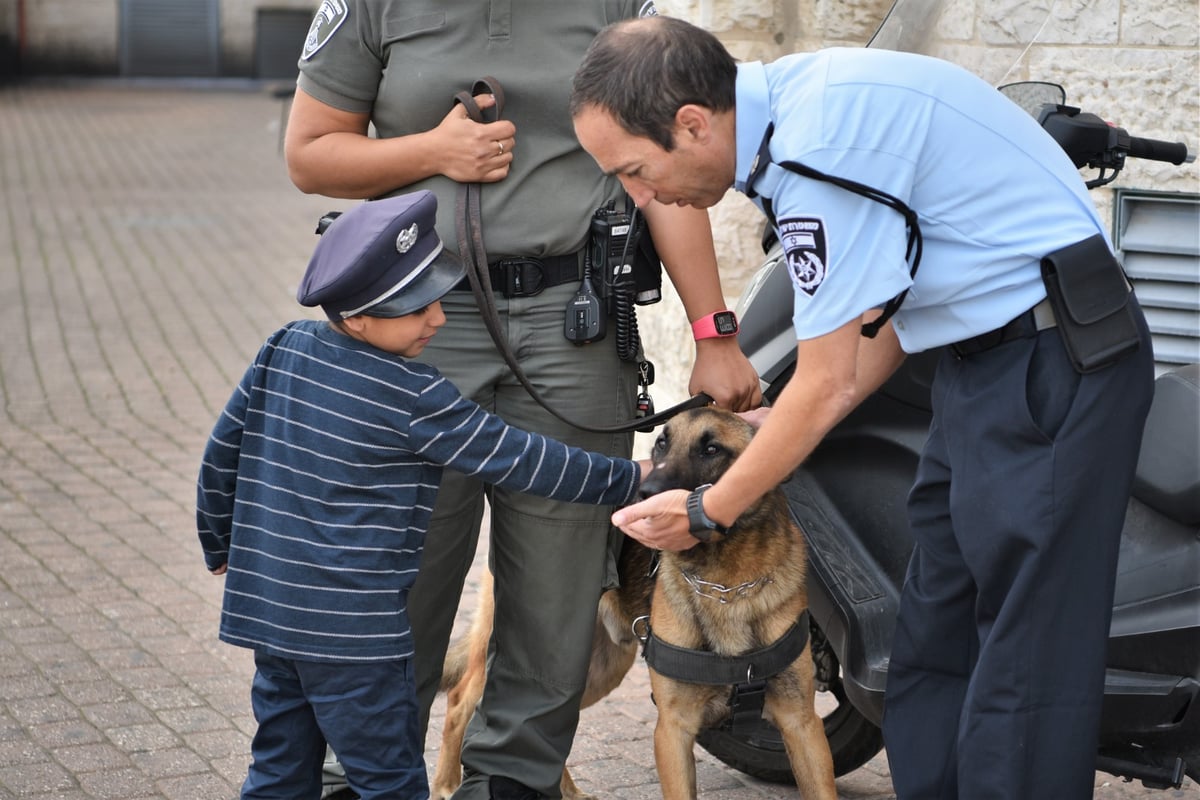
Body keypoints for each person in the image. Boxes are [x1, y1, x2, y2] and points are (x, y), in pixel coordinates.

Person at [570, 16, 1154, 800]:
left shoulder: (818, 155)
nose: (642, 198)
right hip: (979, 361)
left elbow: (831, 380)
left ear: (693, 123)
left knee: (1027, 658)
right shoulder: (794, 118)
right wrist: (778, 417)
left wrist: (709, 511)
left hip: (1052, 367)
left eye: (637, 172)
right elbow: (882, 310)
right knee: (934, 633)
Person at [284, 2, 761, 798]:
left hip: (572, 322)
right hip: (418, 328)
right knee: (401, 576)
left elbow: (656, 177)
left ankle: (511, 783)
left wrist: (713, 331)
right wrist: (433, 151)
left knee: (557, 591)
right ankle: (361, 777)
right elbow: (309, 154)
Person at [196, 191, 654, 800]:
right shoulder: (414, 394)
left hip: (275, 619)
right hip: (358, 639)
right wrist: (631, 477)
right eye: (417, 309)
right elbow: (524, 459)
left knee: (279, 767)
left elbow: (222, 453)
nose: (437, 319)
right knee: (388, 780)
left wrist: (218, 540)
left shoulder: (283, 349)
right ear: (357, 318)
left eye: (437, 299)